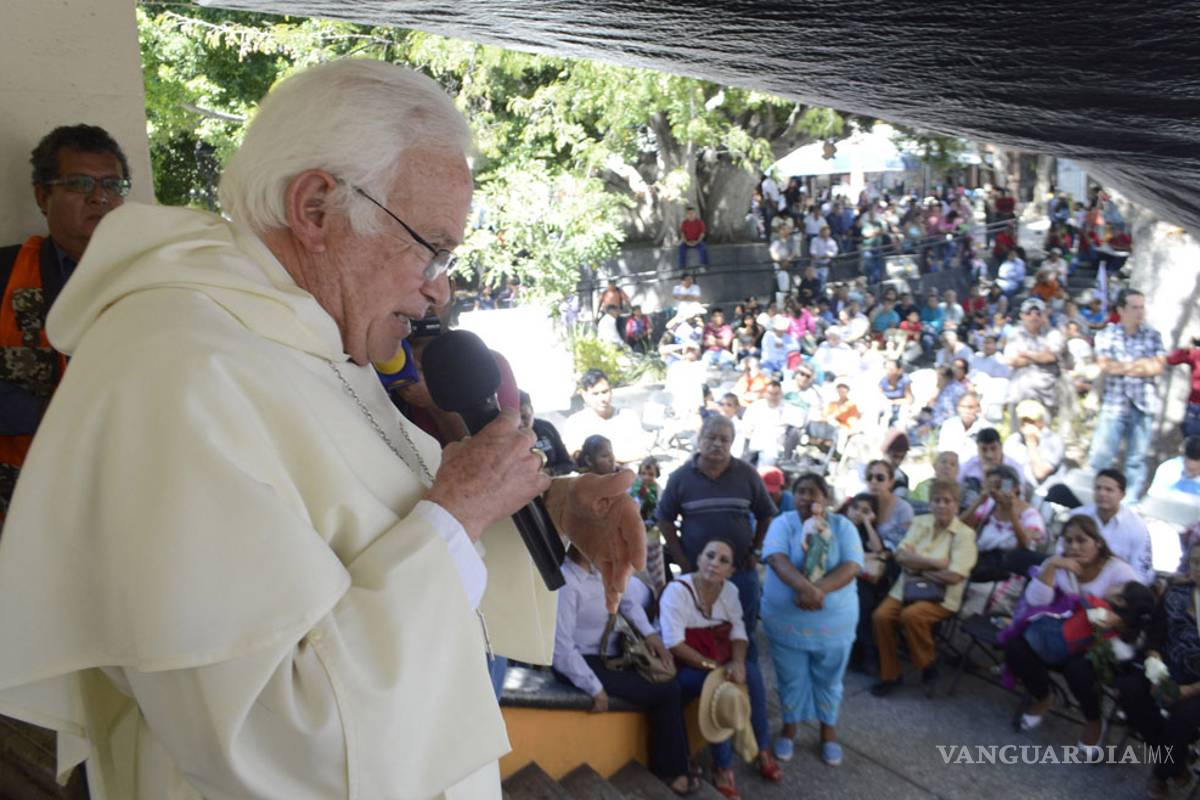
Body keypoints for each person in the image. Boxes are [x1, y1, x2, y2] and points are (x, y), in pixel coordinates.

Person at [0, 60, 648, 800]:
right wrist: (463, 507)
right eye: (429, 246)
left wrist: (550, 510)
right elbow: (275, 730)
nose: (441, 287)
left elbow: (381, 535)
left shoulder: (303, 334)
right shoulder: (173, 369)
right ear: (315, 208)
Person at [0, 124, 130, 524]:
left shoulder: (154, 275)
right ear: (43, 195)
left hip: (126, 491)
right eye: (79, 183)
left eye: (113, 184)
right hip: (20, 499)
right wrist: (54, 415)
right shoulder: (5, 272)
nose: (100, 197)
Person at [552, 544, 697, 795]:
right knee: (665, 692)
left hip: (612, 654)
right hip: (582, 663)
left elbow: (628, 601)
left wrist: (652, 637)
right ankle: (673, 771)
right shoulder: (567, 583)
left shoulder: (602, 568)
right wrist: (594, 688)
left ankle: (680, 763)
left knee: (672, 684)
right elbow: (561, 650)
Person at [1002, 515, 1148, 756]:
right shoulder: (1059, 562)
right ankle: (1044, 696)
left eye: (1081, 540)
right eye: (1068, 540)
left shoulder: (1118, 571)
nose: (1074, 547)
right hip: (1061, 635)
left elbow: (1141, 609)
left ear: (1098, 542)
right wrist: (1051, 566)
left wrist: (1118, 620)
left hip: (1101, 642)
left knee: (1077, 668)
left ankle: (1093, 720)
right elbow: (1035, 602)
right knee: (1015, 645)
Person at [659, 538, 781, 797]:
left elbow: (739, 633)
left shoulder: (730, 592)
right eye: (710, 555)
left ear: (731, 571)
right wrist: (714, 667)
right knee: (718, 688)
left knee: (753, 675)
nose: (714, 563)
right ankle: (722, 766)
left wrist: (737, 662)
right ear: (700, 558)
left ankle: (762, 749)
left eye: (723, 560)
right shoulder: (677, 591)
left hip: (720, 657)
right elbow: (674, 644)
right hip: (686, 664)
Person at [762, 474, 863, 767]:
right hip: (786, 621)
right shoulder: (783, 523)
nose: (807, 498)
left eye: (814, 492)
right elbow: (777, 560)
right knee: (790, 678)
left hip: (833, 623)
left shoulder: (843, 527)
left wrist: (817, 592)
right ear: (794, 496)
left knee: (829, 678)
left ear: (826, 498)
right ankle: (790, 727)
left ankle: (828, 731)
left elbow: (852, 565)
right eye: (801, 492)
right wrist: (806, 588)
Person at [656, 416, 776, 658]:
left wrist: (755, 551)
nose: (717, 444)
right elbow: (664, 520)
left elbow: (766, 515)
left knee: (743, 631)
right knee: (700, 631)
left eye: (724, 439)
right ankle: (707, 683)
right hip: (698, 572)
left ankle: (742, 682)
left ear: (732, 443)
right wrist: (681, 560)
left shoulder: (747, 474)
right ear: (699, 440)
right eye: (711, 437)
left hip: (740, 570)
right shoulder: (681, 478)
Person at [871, 481, 977, 695]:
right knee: (880, 617)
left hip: (941, 596)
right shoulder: (920, 522)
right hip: (907, 589)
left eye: (947, 501)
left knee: (911, 616)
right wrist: (936, 564)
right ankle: (891, 674)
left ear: (956, 505)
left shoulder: (965, 535)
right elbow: (900, 556)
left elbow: (954, 575)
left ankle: (927, 662)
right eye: (936, 500)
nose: (941, 505)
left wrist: (918, 567)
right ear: (930, 503)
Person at [1114, 543, 1200, 799]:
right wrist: (1157, 670)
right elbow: (1154, 637)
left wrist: (1188, 689)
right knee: (1130, 689)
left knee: (1182, 718)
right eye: (1196, 561)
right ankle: (1176, 763)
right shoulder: (1177, 594)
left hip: (1198, 686)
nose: (1199, 568)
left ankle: (1162, 774)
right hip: (1167, 669)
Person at [1088, 289, 1167, 501]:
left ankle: (1129, 503)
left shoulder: (1152, 335)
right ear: (1121, 310)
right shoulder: (1107, 334)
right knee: (1102, 456)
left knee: (1136, 459)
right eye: (1135, 307)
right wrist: (1140, 365)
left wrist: (1124, 366)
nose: (1140, 312)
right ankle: (1094, 499)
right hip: (1115, 403)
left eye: (1142, 307)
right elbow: (1105, 366)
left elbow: (1158, 367)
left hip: (1143, 404)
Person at [961, 465, 1047, 581]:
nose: (994, 492)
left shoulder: (1030, 514)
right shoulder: (990, 505)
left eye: (999, 486)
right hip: (979, 563)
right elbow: (960, 526)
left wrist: (1011, 512)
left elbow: (1025, 544)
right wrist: (979, 501)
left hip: (1009, 574)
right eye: (991, 486)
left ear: (1015, 488)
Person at [1070, 469, 1155, 585]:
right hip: (1076, 579)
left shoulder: (1137, 526)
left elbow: (1142, 571)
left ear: (1122, 495)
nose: (1102, 493)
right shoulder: (1077, 516)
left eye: (1109, 490)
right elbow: (1061, 552)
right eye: (1098, 488)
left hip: (1117, 588)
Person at [561, 368, 651, 465]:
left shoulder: (628, 416)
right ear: (585, 395)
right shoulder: (576, 422)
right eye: (595, 394)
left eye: (605, 392)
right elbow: (572, 453)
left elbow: (642, 451)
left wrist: (602, 458)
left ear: (611, 390)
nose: (602, 398)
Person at [1003, 297, 1066, 420]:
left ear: (1044, 315)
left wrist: (1026, 354)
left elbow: (1050, 357)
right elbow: (1011, 361)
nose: (1033, 317)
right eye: (1028, 313)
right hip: (1019, 387)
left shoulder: (1053, 334)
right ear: (1022, 316)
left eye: (1038, 313)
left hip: (1046, 387)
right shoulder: (1015, 334)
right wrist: (1038, 357)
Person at [1002, 398, 1065, 492]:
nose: (1026, 425)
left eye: (1031, 421)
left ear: (1041, 421)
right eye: (1023, 421)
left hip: (1046, 493)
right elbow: (1005, 472)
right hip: (1018, 493)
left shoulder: (1054, 441)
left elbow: (1039, 473)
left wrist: (1031, 443)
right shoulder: (1013, 440)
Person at [741, 381, 802, 466]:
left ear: (781, 394)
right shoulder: (756, 406)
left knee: (767, 459)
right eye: (770, 393)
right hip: (754, 444)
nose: (773, 397)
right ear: (765, 393)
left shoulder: (788, 409)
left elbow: (798, 425)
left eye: (776, 394)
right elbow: (746, 427)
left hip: (774, 448)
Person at [863, 459, 914, 551]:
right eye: (869, 477)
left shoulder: (903, 508)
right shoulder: (862, 504)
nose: (874, 482)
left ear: (891, 482)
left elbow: (903, 545)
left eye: (880, 478)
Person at [519, 390, 574, 476]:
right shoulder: (502, 437)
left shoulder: (546, 428)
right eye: (515, 419)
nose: (521, 424)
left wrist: (548, 472)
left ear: (532, 410)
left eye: (524, 417)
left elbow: (568, 464)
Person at [937, 391, 986, 464]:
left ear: (978, 408)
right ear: (958, 408)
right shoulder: (949, 426)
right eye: (963, 407)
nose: (967, 411)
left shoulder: (985, 428)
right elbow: (943, 452)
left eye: (971, 407)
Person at [1167, 338, 1200, 437]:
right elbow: (1172, 360)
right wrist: (1187, 346)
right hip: (1196, 405)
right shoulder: (1196, 354)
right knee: (1192, 444)